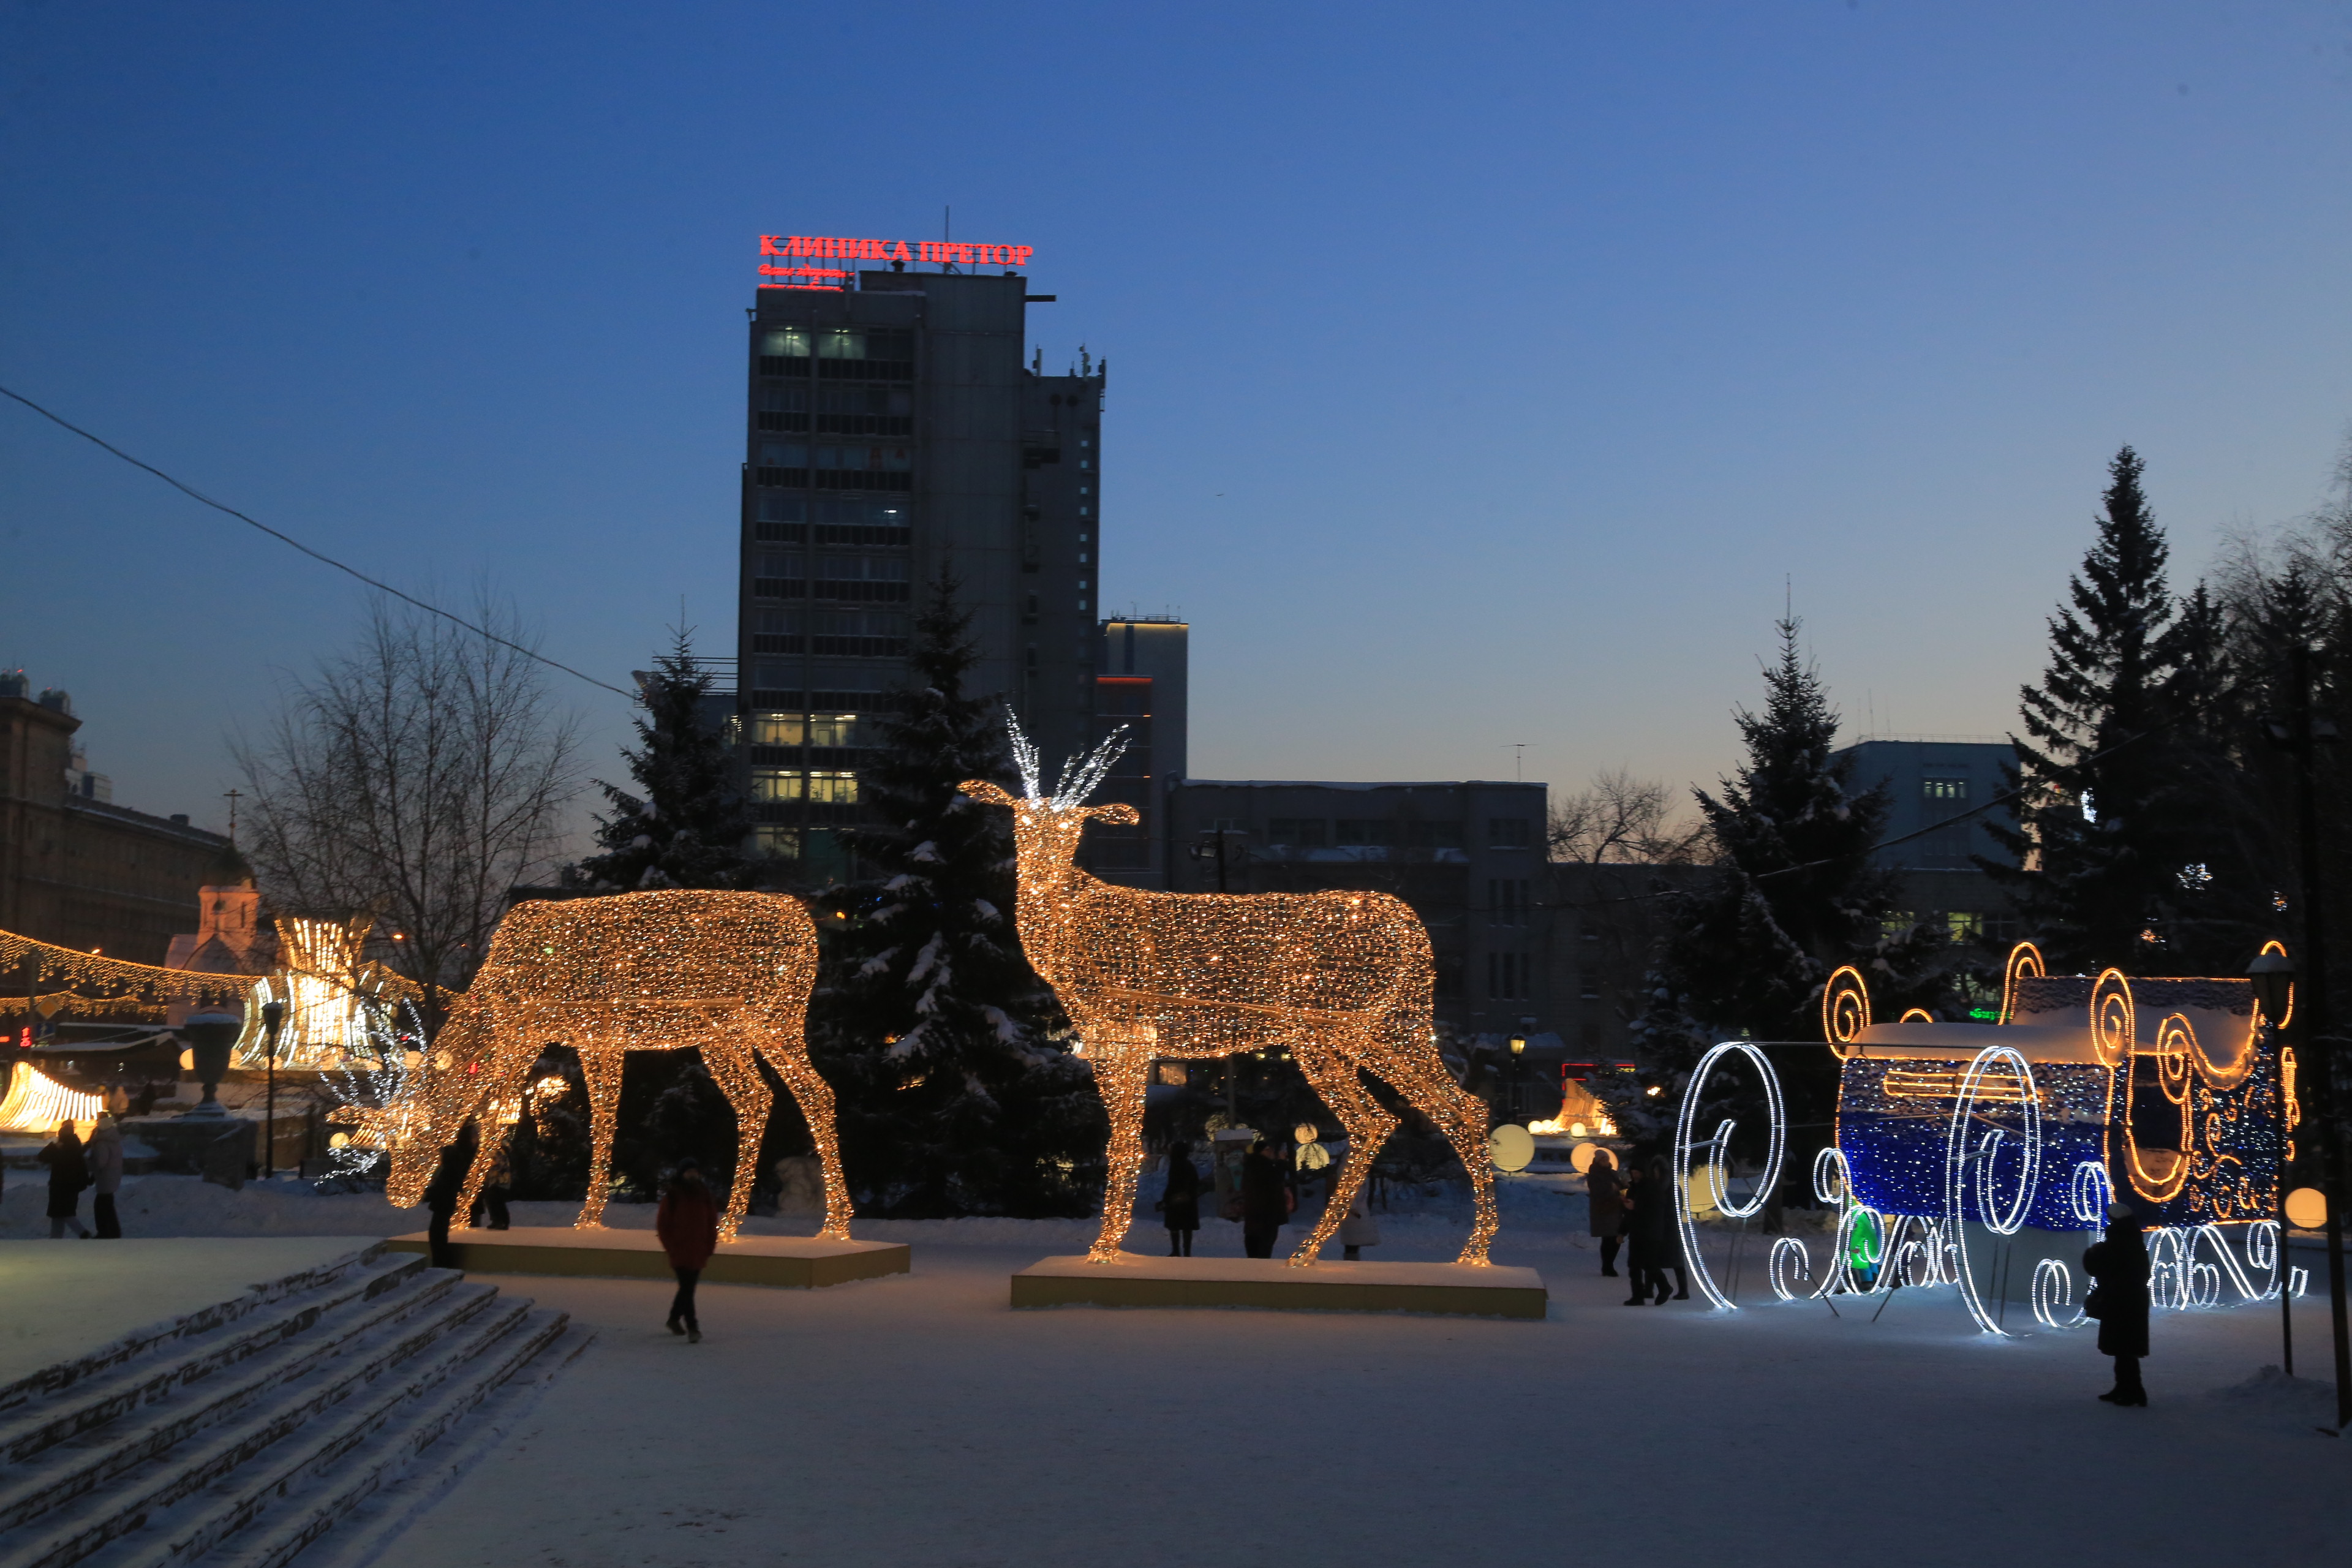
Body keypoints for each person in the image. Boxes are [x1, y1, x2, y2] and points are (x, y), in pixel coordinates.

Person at [2082, 1205, 2151, 1406]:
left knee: (2123, 1348)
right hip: (2130, 1300)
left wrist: (2094, 1253)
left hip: (2120, 1301)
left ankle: (2133, 1391)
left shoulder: (2118, 1243)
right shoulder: (2133, 1240)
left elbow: (2101, 1267)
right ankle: (2126, 1388)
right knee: (2125, 1349)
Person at [657, 1156, 719, 1342]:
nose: (692, 1175)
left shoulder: (704, 1194)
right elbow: (663, 1225)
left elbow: (711, 1222)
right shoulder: (674, 1196)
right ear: (682, 1174)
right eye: (688, 1171)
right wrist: (671, 1247)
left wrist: (709, 1245)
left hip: (698, 1250)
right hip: (680, 1250)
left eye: (694, 1171)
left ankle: (674, 1319)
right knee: (687, 1289)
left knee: (687, 1289)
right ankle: (693, 1327)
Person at [422, 1124, 476, 1270]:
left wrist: (428, 1195)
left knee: (437, 1235)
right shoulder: (454, 1169)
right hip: (445, 1205)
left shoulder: (448, 1171)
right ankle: (441, 1262)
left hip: (443, 1205)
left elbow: (442, 1189)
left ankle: (441, 1263)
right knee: (438, 1234)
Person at [1240, 1138, 1292, 1259]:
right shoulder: (1263, 1166)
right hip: (1266, 1215)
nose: (1271, 1152)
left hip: (1256, 1214)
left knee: (1255, 1245)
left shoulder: (1252, 1165)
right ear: (1260, 1152)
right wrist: (1281, 1163)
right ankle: (1261, 1273)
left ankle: (1256, 1270)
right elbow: (1274, 1180)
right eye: (1267, 1150)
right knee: (1264, 1248)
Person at [40, 1121, 91, 1239]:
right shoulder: (75, 1147)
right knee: (60, 1215)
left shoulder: (62, 1149)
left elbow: (42, 1157)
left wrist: (53, 1146)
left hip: (61, 1187)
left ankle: (83, 1234)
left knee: (63, 1214)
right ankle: (56, 1239)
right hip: (70, 1187)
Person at [1586, 1148, 1625, 1276]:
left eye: (1606, 1159)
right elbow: (1596, 1191)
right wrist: (1610, 1188)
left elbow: (1620, 1186)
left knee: (1616, 1238)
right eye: (1602, 1159)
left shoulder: (1613, 1173)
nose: (1605, 1161)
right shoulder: (1594, 1174)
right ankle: (1607, 1266)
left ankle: (1609, 1264)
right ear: (1597, 1161)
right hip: (1604, 1209)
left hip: (1616, 1208)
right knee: (1608, 1238)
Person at [1159, 1141, 1201, 1257]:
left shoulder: (1175, 1165)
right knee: (1187, 1228)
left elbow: (1173, 1184)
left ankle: (1176, 1250)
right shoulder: (1189, 1165)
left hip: (1176, 1202)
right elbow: (1196, 1182)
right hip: (1189, 1202)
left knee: (1175, 1226)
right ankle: (1187, 1252)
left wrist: (1166, 1199)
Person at [87, 1114, 125, 1238]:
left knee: (101, 1207)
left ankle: (104, 1232)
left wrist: (89, 1165)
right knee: (108, 1206)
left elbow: (100, 1162)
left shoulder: (102, 1143)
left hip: (105, 1179)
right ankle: (113, 1231)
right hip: (112, 1177)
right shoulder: (114, 1139)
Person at [469, 1142, 512, 1231]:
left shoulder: (499, 1153)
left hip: (500, 1181)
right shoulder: (494, 1153)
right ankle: (496, 1221)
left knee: (496, 1201)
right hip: (494, 1181)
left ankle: (502, 1221)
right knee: (490, 1200)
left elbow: (498, 1165)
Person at [1338, 1182, 1381, 1261]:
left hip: (1359, 1213)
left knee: (1355, 1242)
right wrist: (1353, 1208)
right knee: (1352, 1241)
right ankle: (1351, 1260)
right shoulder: (1350, 1174)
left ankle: (1352, 1259)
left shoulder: (1360, 1176)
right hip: (1353, 1215)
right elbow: (1347, 1192)